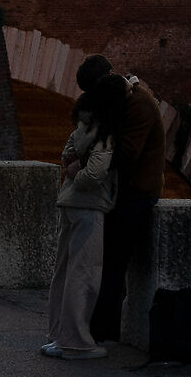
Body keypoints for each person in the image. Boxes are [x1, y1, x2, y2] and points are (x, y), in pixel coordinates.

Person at [75, 54, 166, 344]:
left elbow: (126, 154)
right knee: (108, 263)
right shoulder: (124, 101)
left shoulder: (138, 104)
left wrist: (91, 161)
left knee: (113, 264)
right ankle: (100, 328)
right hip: (124, 194)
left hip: (137, 196)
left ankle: (103, 332)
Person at [42, 96, 116, 360]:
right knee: (83, 274)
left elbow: (65, 155)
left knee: (62, 271)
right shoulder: (105, 133)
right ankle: (76, 342)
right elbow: (96, 174)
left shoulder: (80, 127)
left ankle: (57, 336)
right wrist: (81, 173)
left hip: (68, 201)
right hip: (89, 206)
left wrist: (73, 169)